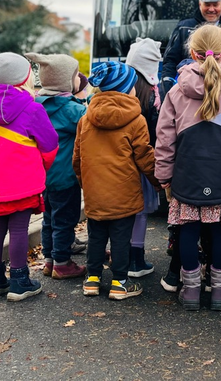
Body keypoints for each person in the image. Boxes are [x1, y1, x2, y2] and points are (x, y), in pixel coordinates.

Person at [155, 24, 221, 312]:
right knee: (220, 231)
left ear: (192, 53)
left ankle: (191, 290)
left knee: (187, 229)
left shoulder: (176, 92)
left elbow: (165, 139)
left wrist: (164, 176)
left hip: (186, 174)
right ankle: (219, 290)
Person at [73, 61, 158, 300]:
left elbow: (77, 158)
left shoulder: (86, 119)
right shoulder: (136, 120)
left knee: (96, 235)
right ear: (126, 89)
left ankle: (92, 279)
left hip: (95, 191)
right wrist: (158, 182)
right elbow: (144, 157)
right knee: (121, 238)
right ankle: (120, 282)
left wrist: (86, 183)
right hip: (125, 193)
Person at [0, 53, 58, 302]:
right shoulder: (32, 108)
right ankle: (19, 280)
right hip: (23, 181)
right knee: (19, 229)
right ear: (24, 78)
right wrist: (41, 168)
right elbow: (50, 144)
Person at [25, 53, 87, 282]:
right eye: (75, 75)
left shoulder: (36, 106)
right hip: (65, 176)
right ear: (66, 81)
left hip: (43, 176)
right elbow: (90, 124)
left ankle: (49, 260)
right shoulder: (72, 110)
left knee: (49, 219)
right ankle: (62, 263)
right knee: (65, 220)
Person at [125, 38, 163, 278]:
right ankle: (136, 260)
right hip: (142, 161)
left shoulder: (120, 87)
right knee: (140, 213)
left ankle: (121, 255)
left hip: (119, 163)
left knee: (123, 213)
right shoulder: (151, 94)